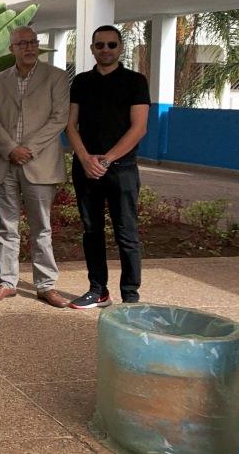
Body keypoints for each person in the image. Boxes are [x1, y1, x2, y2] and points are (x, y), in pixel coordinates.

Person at [0, 26, 70, 309]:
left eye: (33, 42)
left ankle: (46, 284)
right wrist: (10, 149)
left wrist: (28, 149)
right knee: (5, 226)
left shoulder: (56, 77)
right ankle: (7, 282)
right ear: (11, 49)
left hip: (40, 163)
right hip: (4, 161)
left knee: (41, 227)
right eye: (22, 43)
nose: (29, 48)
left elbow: (59, 119)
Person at [66, 25, 150, 309]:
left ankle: (130, 297)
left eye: (111, 45)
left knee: (126, 233)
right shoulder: (80, 82)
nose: (105, 50)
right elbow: (70, 124)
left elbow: (138, 129)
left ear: (120, 48)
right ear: (92, 49)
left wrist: (106, 159)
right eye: (100, 45)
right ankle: (98, 290)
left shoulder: (135, 81)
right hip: (86, 168)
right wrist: (85, 158)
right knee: (92, 232)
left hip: (121, 169)